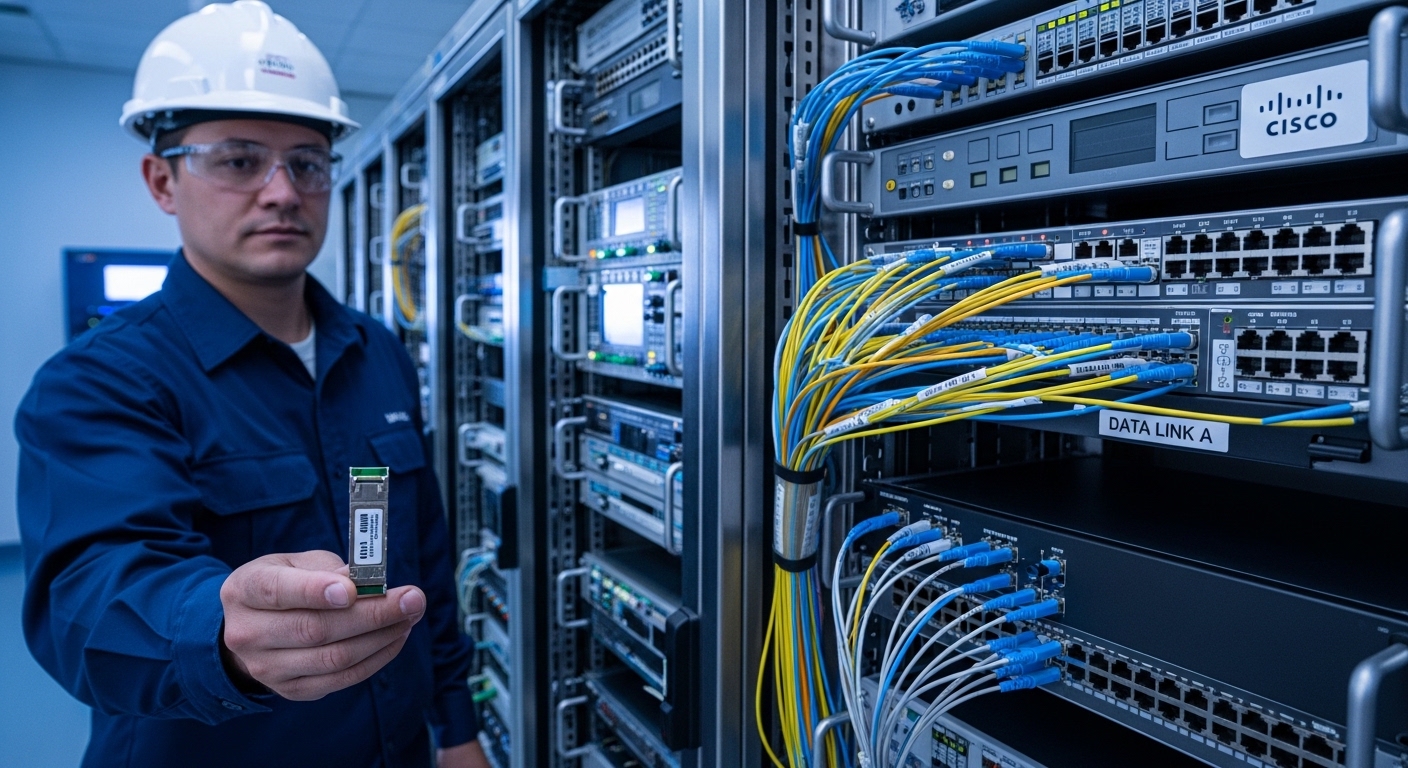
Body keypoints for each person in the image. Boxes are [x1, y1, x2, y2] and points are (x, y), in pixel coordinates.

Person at [14, 3, 490, 766]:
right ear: (162, 180)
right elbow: (85, 601)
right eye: (238, 160)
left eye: (307, 162)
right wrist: (220, 626)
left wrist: (456, 725)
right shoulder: (99, 381)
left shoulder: (377, 353)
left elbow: (422, 559)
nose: (281, 191)